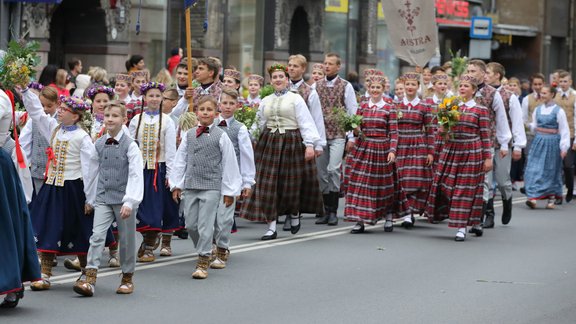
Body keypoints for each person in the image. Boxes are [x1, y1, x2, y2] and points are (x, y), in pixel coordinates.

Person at [21, 89, 99, 290]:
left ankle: (84, 271)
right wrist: (25, 91)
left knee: (79, 229)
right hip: (53, 187)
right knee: (48, 226)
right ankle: (45, 274)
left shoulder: (83, 137)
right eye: (61, 109)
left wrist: (90, 199)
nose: (60, 112)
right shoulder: (54, 129)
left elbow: (90, 169)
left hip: (73, 188)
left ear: (76, 116)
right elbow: (37, 113)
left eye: (65, 110)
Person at [240, 64, 323, 240]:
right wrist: (248, 138)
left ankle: (294, 213)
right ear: (271, 81)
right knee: (268, 185)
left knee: (290, 184)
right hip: (269, 142)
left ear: (286, 80)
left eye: (281, 77)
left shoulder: (296, 99)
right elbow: (258, 122)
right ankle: (271, 227)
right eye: (275, 77)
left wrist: (310, 145)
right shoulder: (266, 100)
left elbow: (306, 122)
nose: (278, 79)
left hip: (292, 142)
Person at [73, 101, 143, 297]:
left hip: (123, 199)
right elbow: (92, 172)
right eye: (107, 116)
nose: (110, 119)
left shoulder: (131, 145)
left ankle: (127, 277)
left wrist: (130, 201)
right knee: (96, 236)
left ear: (124, 119)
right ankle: (90, 278)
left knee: (127, 239)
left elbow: (136, 174)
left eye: (115, 116)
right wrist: (90, 198)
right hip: (103, 197)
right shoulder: (99, 143)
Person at [171, 95, 241, 279]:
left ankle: (203, 260)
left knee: (205, 225)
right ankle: (206, 247)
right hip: (192, 185)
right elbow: (180, 160)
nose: (205, 113)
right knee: (190, 224)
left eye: (209, 110)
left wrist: (229, 190)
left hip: (211, 186)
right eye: (202, 110)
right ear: (196, 113)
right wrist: (176, 184)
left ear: (215, 113)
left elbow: (229, 163)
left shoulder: (221, 135)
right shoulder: (189, 134)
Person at [424, 74, 492, 241]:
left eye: (466, 86)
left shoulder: (480, 110)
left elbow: (485, 136)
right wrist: (444, 130)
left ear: (474, 90)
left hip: (471, 151)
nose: (462, 88)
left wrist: (488, 158)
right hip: (451, 149)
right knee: (445, 184)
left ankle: (462, 227)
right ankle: (473, 220)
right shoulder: (450, 106)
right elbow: (441, 130)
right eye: (460, 86)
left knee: (464, 189)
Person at [344, 74, 404, 233]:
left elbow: (394, 133)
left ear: (383, 89)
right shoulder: (362, 106)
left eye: (378, 87)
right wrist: (355, 130)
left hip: (381, 149)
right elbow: (357, 130)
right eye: (372, 87)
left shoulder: (389, 107)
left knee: (383, 185)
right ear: (368, 89)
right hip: (363, 148)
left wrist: (392, 150)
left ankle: (389, 215)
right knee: (360, 183)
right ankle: (360, 220)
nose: (375, 90)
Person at [128, 82, 178, 262]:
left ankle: (149, 244)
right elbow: (130, 145)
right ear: (144, 98)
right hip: (140, 169)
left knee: (156, 209)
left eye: (158, 96)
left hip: (159, 168)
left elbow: (171, 150)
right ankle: (146, 239)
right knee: (141, 207)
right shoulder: (136, 119)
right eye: (151, 95)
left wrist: (170, 175)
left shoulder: (167, 121)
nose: (155, 99)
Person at [211, 88, 255, 269]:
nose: (227, 107)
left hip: (231, 179)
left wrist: (247, 182)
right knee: (210, 216)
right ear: (219, 104)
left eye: (231, 103)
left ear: (237, 106)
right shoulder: (209, 125)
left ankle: (222, 247)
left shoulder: (240, 129)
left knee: (224, 217)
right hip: (210, 178)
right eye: (224, 103)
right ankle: (212, 245)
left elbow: (246, 156)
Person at [466, 60, 512, 227]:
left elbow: (501, 120)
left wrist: (505, 144)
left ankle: (497, 208)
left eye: (473, 71)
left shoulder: (493, 94)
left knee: (493, 180)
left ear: (482, 73)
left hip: (488, 142)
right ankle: (479, 215)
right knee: (473, 180)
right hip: (467, 142)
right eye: (468, 70)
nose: (470, 73)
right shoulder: (464, 90)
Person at [315, 53, 358, 226]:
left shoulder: (345, 86)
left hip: (339, 134)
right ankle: (326, 210)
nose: (327, 66)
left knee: (333, 169)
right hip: (321, 135)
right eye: (325, 63)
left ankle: (333, 211)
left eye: (331, 64)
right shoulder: (316, 86)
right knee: (321, 173)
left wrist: (351, 136)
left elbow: (351, 110)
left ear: (338, 67)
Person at [484, 62, 526, 227]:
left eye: (488, 72)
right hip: (485, 143)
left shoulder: (510, 96)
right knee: (486, 182)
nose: (485, 75)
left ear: (497, 75)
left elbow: (517, 122)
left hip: (502, 144)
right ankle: (489, 214)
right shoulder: (481, 93)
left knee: (502, 181)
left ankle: (507, 203)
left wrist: (517, 146)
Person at [395, 72, 434, 228]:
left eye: (413, 84)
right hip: (399, 145)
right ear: (403, 86)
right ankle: (405, 211)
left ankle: (410, 212)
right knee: (401, 179)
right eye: (407, 84)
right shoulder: (396, 105)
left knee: (415, 180)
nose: (410, 87)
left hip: (417, 145)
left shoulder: (424, 106)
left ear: (418, 87)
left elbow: (430, 130)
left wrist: (431, 152)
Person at [525, 85, 571, 209]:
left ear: (552, 94)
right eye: (542, 93)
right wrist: (529, 126)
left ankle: (551, 198)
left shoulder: (558, 111)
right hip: (539, 141)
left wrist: (564, 147)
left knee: (551, 170)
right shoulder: (538, 109)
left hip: (553, 143)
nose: (542, 95)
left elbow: (564, 129)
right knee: (533, 169)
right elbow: (534, 125)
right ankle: (533, 197)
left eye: (545, 93)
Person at [20, 86, 59, 195]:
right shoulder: (33, 120)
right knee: (40, 199)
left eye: (49, 106)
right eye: (42, 105)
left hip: (55, 171)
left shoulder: (60, 121)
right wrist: (24, 164)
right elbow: (25, 142)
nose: (45, 109)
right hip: (37, 169)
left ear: (57, 104)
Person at [553, 71, 576, 203]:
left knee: (568, 165)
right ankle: (557, 194)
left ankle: (569, 187)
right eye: (561, 81)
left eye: (565, 81)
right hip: (555, 134)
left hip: (571, 134)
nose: (563, 84)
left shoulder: (575, 96)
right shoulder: (554, 94)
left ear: (570, 82)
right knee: (556, 165)